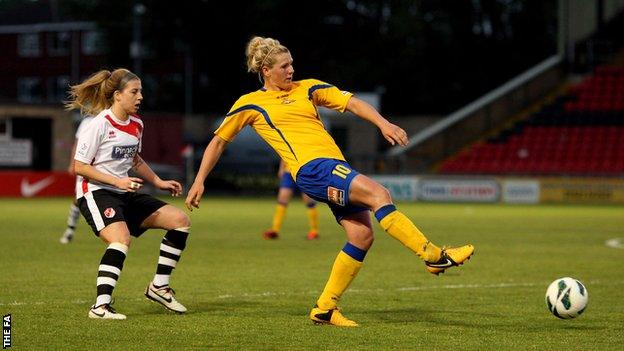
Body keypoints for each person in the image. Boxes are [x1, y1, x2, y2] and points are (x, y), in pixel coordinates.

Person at [185, 36, 474, 327]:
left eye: (292, 64)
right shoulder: (251, 104)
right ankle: (432, 255)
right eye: (284, 66)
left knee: (361, 236)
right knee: (379, 193)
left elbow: (352, 103)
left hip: (333, 166)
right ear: (266, 71)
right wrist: (199, 180)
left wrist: (383, 123)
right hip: (312, 170)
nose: (291, 70)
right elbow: (218, 142)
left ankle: (324, 309)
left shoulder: (308, 88)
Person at [66, 68, 191, 320]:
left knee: (180, 221)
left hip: (123, 191)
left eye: (141, 91)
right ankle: (100, 307)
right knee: (121, 239)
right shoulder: (98, 124)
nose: (140, 96)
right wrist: (117, 181)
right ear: (117, 96)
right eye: (134, 91)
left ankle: (158, 287)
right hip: (96, 191)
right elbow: (80, 167)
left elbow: (134, 158)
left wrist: (158, 181)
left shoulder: (137, 124)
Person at [263, 159, 319, 240]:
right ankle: (275, 230)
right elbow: (284, 153)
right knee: (282, 199)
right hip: (288, 173)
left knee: (309, 201)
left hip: (304, 172)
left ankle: (314, 231)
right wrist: (281, 168)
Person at [59, 114, 94, 244]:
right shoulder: (87, 122)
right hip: (86, 164)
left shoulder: (110, 118)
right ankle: (70, 230)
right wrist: (72, 163)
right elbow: (77, 144)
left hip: (103, 166)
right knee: (78, 199)